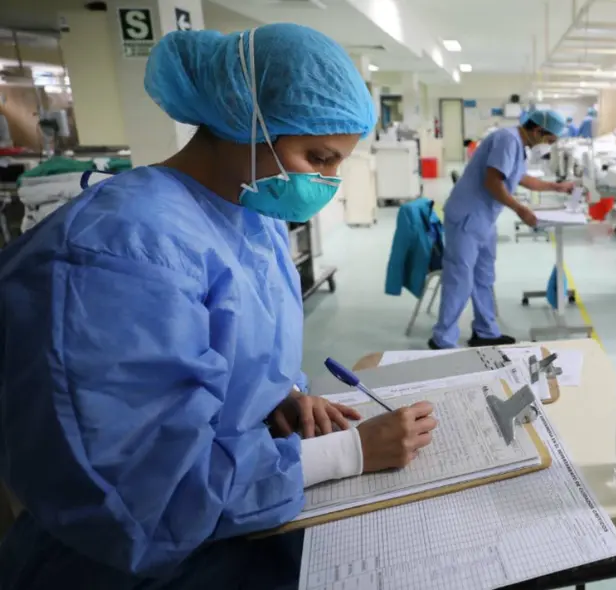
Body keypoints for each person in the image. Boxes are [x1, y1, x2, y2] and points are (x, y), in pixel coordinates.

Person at [0, 24, 438, 589]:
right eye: (318, 157)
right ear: (245, 118)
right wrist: (348, 454)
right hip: (128, 564)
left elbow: (227, 349)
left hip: (235, 516)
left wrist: (277, 397)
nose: (327, 182)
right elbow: (147, 494)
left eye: (337, 164)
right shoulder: (121, 253)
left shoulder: (251, 216)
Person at [430, 110, 575, 350]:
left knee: (484, 276)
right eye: (549, 140)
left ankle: (485, 331)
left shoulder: (518, 144)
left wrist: (557, 187)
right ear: (538, 131)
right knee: (460, 279)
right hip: (468, 216)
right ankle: (442, 339)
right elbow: (493, 182)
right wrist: (521, 209)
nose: (549, 145)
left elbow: (520, 177)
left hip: (484, 218)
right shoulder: (507, 139)